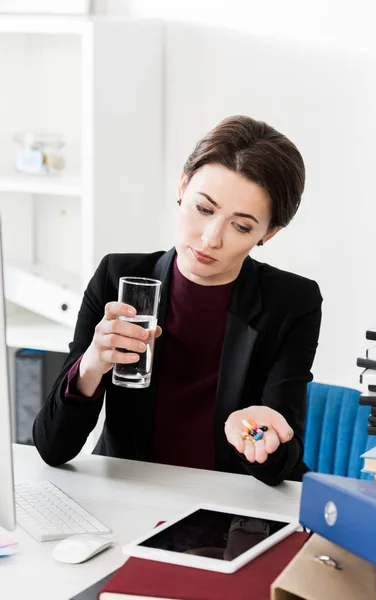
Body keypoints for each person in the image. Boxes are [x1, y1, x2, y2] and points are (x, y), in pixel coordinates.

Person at [33, 115, 322, 486]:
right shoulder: (116, 277)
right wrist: (91, 365)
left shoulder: (292, 302)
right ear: (183, 187)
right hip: (130, 502)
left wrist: (256, 438)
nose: (210, 239)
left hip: (229, 512)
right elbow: (51, 448)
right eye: (204, 209)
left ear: (269, 233)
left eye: (242, 226)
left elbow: (281, 467)